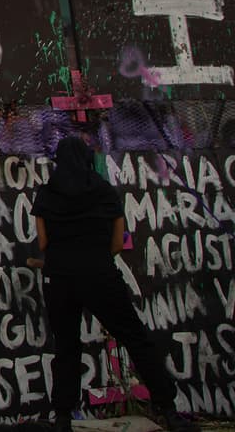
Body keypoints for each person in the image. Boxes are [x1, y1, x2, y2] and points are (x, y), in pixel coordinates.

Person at [31, 136, 199, 432]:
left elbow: (43, 242)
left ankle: (62, 417)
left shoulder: (46, 194)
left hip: (59, 278)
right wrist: (95, 257)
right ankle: (169, 409)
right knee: (136, 339)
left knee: (67, 347)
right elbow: (118, 240)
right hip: (100, 275)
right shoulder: (104, 191)